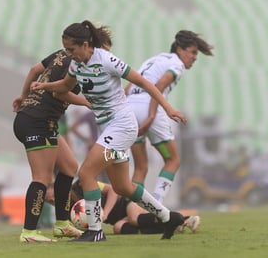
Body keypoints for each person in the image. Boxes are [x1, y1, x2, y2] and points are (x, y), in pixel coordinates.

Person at [31, 20, 188, 242]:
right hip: (109, 129)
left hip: (122, 126)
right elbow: (65, 87)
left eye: (71, 49)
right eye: (66, 49)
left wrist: (168, 107)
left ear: (86, 44)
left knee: (86, 173)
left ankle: (95, 231)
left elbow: (143, 82)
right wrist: (44, 85)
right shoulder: (76, 65)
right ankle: (168, 217)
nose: (68, 54)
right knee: (123, 187)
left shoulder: (107, 60)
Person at [12, 47, 94, 242]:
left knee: (69, 167)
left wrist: (23, 97)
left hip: (40, 120)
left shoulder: (61, 54)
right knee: (42, 177)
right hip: (36, 121)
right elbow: (59, 94)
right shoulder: (79, 63)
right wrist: (87, 103)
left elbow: (34, 70)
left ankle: (62, 224)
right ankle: (29, 232)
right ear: (89, 45)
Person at [125, 30, 213, 203]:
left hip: (130, 108)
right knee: (173, 159)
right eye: (193, 52)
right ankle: (157, 206)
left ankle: (132, 210)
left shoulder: (153, 60)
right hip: (148, 107)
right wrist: (150, 116)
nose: (195, 57)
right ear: (180, 49)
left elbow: (128, 87)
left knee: (141, 167)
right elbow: (159, 85)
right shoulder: (176, 64)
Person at [70, 180, 200, 235]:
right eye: (49, 201)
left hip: (126, 203)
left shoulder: (82, 183)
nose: (51, 200)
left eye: (50, 196)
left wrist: (106, 213)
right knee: (118, 228)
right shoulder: (68, 210)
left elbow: (112, 190)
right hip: (118, 220)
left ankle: (184, 219)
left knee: (133, 218)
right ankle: (172, 226)